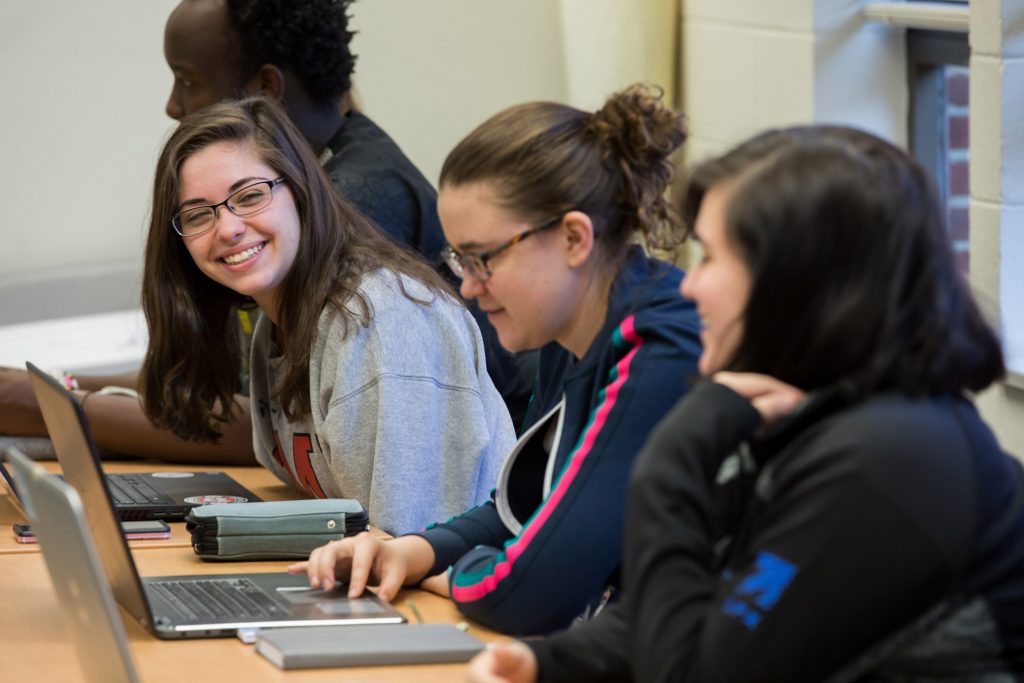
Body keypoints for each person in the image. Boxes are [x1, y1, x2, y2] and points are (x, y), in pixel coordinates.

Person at [467, 125, 1024, 682]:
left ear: (792, 279)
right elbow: (705, 608)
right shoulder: (817, 421)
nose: (691, 286)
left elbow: (702, 667)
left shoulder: (886, 457)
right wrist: (547, 663)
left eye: (712, 257)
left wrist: (670, 467)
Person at [0, 0, 530, 459]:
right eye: (199, 214)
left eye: (187, 80)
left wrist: (51, 406)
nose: (171, 105)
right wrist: (60, 387)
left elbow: (258, 423)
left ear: (265, 90)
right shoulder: (301, 185)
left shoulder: (348, 205)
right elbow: (222, 386)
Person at [291, 84, 704, 636]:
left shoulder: (659, 343)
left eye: (482, 260)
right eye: (459, 259)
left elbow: (531, 594)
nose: (467, 288)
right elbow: (524, 507)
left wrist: (445, 576)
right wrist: (411, 552)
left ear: (574, 238)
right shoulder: (570, 326)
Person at [139, 96, 515, 535]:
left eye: (250, 195)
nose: (228, 228)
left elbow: (413, 543)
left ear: (300, 188)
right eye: (198, 214)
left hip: (453, 596)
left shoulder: (383, 319)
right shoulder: (273, 327)